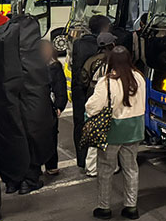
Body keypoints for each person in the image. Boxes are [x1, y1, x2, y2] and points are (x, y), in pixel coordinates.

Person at [86, 46, 145, 221]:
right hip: (134, 129)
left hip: (113, 130)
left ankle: (104, 207)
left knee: (105, 168)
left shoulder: (107, 82)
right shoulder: (139, 78)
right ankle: (131, 206)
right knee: (131, 168)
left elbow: (93, 106)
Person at [71, 15, 111, 170]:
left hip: (79, 90)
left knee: (80, 124)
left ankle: (82, 160)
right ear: (105, 28)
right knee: (101, 124)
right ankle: (99, 162)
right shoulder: (105, 45)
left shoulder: (79, 43)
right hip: (97, 90)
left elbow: (76, 68)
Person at [81, 31, 118, 177]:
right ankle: (111, 166)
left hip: (93, 94)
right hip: (110, 97)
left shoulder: (91, 60)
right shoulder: (114, 60)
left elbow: (83, 78)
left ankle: (91, 167)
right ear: (112, 45)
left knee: (94, 132)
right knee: (111, 134)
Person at [40, 40, 67, 176]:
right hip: (50, 107)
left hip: (36, 107)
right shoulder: (55, 65)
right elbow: (61, 89)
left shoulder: (33, 66)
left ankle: (37, 165)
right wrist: (59, 106)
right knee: (51, 137)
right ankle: (51, 165)